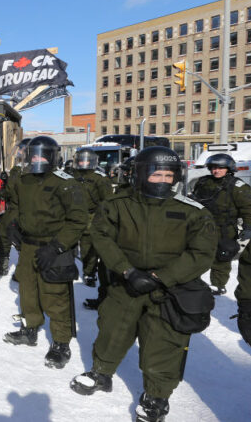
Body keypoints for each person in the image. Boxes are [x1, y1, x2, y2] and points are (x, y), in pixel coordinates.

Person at [71, 147, 217, 422]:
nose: (163, 180)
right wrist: (126, 270)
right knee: (112, 330)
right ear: (140, 174)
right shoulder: (118, 204)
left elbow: (201, 254)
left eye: (168, 175)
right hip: (126, 282)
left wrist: (160, 278)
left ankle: (156, 396)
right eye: (156, 174)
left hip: (170, 290)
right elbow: (102, 236)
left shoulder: (193, 212)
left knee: (162, 344)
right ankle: (101, 373)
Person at [3, 136, 88, 370]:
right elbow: (16, 206)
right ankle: (30, 329)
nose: (37, 160)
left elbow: (78, 219)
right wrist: (13, 227)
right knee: (28, 290)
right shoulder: (24, 180)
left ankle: (61, 342)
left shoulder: (66, 183)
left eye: (42, 155)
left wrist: (58, 246)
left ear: (52, 157)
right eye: (33, 155)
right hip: (29, 245)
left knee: (55, 296)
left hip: (55, 246)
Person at [189, 153, 251, 295]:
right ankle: (192, 281)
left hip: (225, 228)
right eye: (213, 168)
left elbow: (248, 208)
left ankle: (218, 284)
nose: (216, 171)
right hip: (202, 226)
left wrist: (248, 227)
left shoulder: (238, 186)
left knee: (222, 257)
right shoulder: (203, 182)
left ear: (228, 168)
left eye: (220, 168)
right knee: (197, 253)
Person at [70, 149, 113, 289]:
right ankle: (68, 269)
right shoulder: (70, 176)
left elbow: (106, 201)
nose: (83, 163)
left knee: (88, 249)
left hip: (91, 217)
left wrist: (101, 219)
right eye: (81, 160)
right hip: (71, 215)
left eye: (86, 161)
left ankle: (89, 273)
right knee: (68, 245)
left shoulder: (100, 179)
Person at [0, 138, 30, 276]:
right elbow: (11, 190)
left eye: (21, 150)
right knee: (2, 234)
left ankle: (23, 270)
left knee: (22, 241)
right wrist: (5, 182)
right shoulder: (17, 169)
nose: (18, 152)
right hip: (12, 208)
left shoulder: (29, 170)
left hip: (22, 209)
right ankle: (1, 264)